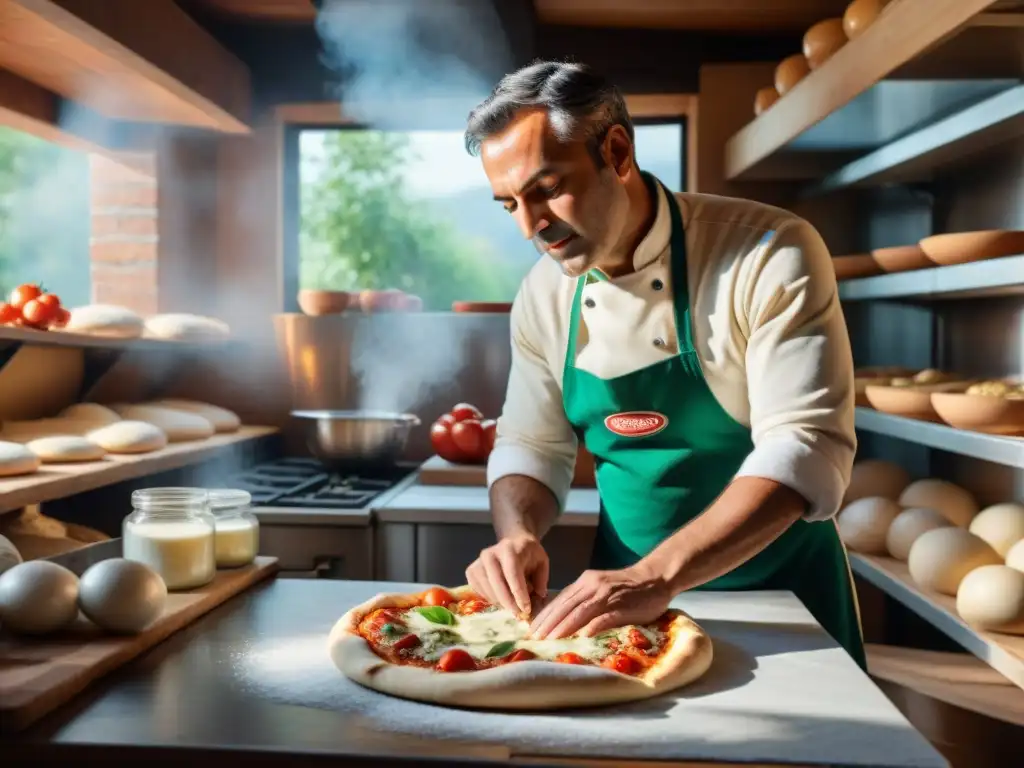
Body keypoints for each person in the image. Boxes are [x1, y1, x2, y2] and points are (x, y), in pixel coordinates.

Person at [461, 60, 863, 668]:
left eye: (546, 189)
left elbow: (805, 449)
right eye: (508, 204)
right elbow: (530, 447)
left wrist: (659, 576)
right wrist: (517, 535)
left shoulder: (768, 252)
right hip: (623, 616)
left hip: (786, 608)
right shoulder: (543, 295)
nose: (530, 226)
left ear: (617, 151)